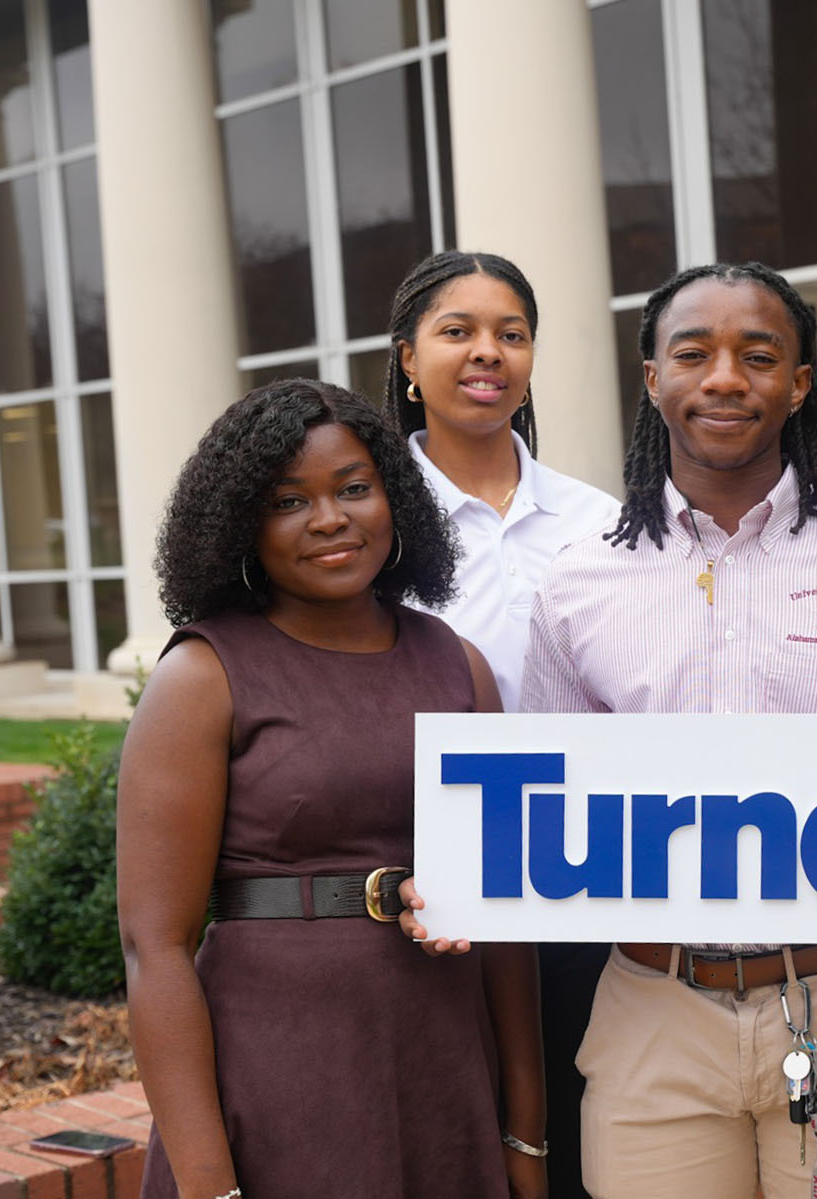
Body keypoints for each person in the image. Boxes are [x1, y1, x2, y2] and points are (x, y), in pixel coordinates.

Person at [402, 261, 817, 1199]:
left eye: (759, 355)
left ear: (800, 382)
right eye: (693, 353)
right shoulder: (579, 579)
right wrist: (467, 880)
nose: (725, 377)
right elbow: (550, 806)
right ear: (653, 379)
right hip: (652, 1011)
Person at [118, 380, 545, 1199]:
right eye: (288, 500)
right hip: (276, 1069)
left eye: (354, 487)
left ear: (395, 495)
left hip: (440, 1058)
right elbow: (155, 947)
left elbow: (509, 921)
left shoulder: (460, 665)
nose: (329, 518)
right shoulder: (202, 675)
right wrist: (209, 1185)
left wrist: (526, 1131)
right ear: (243, 522)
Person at [385, 249, 620, 1198]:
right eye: (458, 331)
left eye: (511, 335)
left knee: (572, 1135)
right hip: (423, 888)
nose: (489, 353)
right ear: (407, 358)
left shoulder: (599, 520)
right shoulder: (371, 522)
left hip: (581, 877)